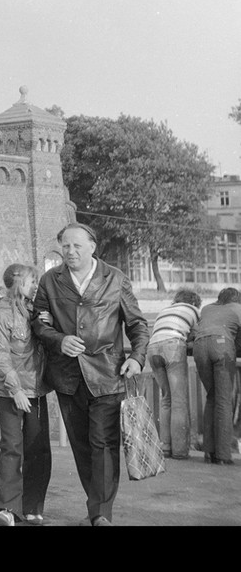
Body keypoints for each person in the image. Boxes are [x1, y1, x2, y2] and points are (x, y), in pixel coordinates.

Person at [33, 224, 148, 527]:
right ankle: (96, 506)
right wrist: (59, 339)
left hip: (108, 375)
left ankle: (100, 513)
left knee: (104, 445)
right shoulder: (50, 280)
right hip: (68, 378)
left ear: (93, 246)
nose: (70, 252)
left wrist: (137, 357)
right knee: (83, 446)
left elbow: (137, 324)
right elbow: (39, 323)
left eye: (77, 246)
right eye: (65, 246)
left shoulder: (115, 279)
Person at [0, 264, 51, 528]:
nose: (35, 286)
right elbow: (0, 356)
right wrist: (15, 390)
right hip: (12, 393)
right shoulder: (2, 315)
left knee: (38, 449)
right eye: (30, 281)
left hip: (36, 390)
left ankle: (33, 505)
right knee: (12, 447)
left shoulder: (35, 311)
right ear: (16, 283)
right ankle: (6, 507)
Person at [146, 288, 201, 460]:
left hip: (152, 348)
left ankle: (166, 447)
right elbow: (198, 334)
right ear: (194, 302)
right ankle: (180, 451)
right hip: (173, 346)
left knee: (166, 399)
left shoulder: (165, 311)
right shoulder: (192, 310)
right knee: (179, 402)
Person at [193, 287, 241, 465]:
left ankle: (209, 453)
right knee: (223, 400)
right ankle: (223, 455)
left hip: (199, 348)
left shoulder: (206, 308)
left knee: (212, 397)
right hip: (221, 346)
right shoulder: (237, 308)